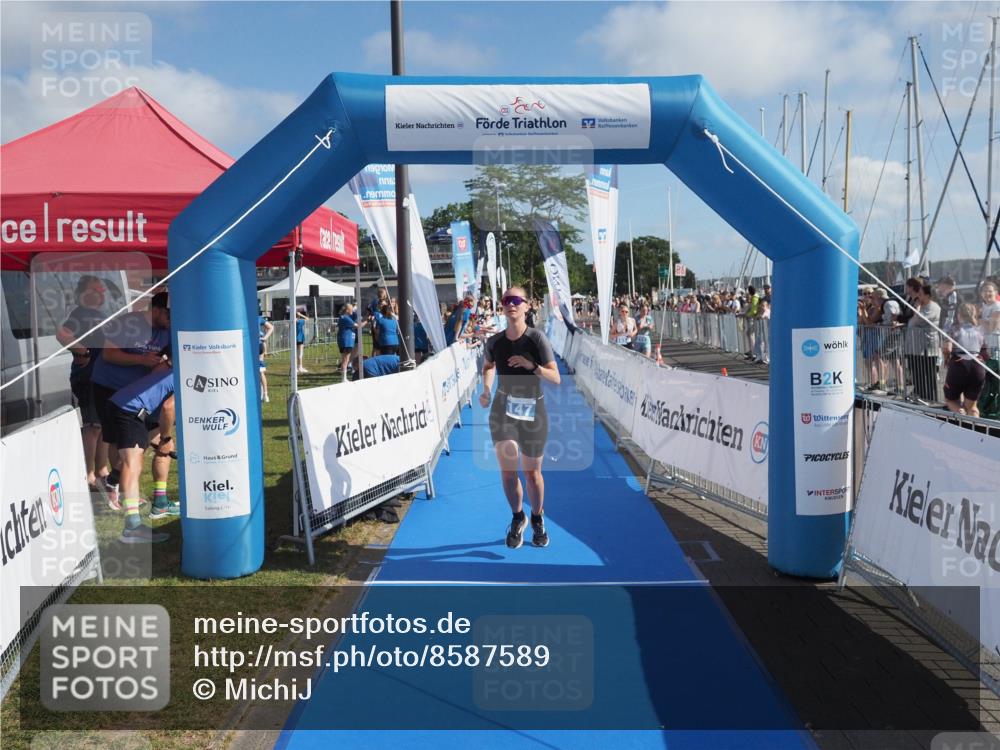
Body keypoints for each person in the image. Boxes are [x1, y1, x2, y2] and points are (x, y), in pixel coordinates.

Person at [479, 287, 560, 549]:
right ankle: (517, 517)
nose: (510, 304)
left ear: (526, 306)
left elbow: (556, 378)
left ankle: (537, 517)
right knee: (508, 470)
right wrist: (487, 390)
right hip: (503, 410)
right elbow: (488, 366)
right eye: (506, 301)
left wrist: (532, 366)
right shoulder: (494, 342)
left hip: (533, 412)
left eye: (516, 300)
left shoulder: (537, 339)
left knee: (532, 473)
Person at [90, 292, 171, 509]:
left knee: (133, 441)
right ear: (156, 310)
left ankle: (118, 484)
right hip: (107, 385)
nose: (172, 320)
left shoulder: (167, 330)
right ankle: (115, 489)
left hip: (134, 391)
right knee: (116, 438)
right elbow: (109, 354)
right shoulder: (127, 323)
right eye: (169, 315)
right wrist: (142, 359)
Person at [107, 362, 176, 543]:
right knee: (134, 462)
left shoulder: (182, 367)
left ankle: (114, 478)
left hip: (128, 405)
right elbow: (169, 407)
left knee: (146, 450)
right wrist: (166, 439)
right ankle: (132, 526)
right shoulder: (194, 375)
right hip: (130, 410)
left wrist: (165, 440)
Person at [57, 275, 109, 489]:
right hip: (88, 376)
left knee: (103, 425)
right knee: (92, 426)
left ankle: (102, 470)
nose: (101, 293)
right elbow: (62, 334)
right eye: (96, 290)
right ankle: (88, 474)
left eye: (101, 289)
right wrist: (84, 352)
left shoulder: (97, 314)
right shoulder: (79, 313)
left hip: (102, 375)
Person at [943, 304, 987, 417]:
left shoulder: (954, 329)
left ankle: (960, 414)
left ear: (959, 315)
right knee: (972, 407)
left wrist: (946, 359)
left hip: (959, 365)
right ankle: (976, 431)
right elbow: (986, 350)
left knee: (951, 400)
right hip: (977, 366)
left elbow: (947, 348)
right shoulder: (980, 330)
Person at [904, 281, 942, 403]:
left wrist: (917, 309)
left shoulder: (934, 307)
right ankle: (920, 394)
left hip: (927, 346)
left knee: (929, 374)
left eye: (921, 294)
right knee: (917, 372)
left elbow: (920, 320)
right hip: (916, 346)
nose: (918, 296)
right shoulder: (921, 306)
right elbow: (913, 321)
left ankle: (932, 398)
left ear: (928, 295)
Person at [337, 303, 359, 380]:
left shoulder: (344, 317)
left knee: (345, 359)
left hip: (346, 340)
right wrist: (366, 321)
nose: (353, 311)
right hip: (346, 341)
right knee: (345, 360)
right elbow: (357, 326)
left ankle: (344, 377)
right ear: (347, 310)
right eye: (351, 309)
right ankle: (343, 378)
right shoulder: (345, 318)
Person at [980, 280, 1000, 358]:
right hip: (985, 343)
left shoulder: (997, 307)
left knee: (995, 367)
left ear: (996, 292)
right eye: (984, 291)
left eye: (990, 291)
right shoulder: (983, 307)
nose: (987, 294)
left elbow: (991, 329)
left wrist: (979, 320)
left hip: (995, 343)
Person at [258, 311, 274, 402]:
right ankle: (263, 394)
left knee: (260, 372)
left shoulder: (258, 318)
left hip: (256, 347)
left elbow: (271, 327)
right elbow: (271, 327)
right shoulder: (259, 318)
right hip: (258, 347)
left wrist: (265, 338)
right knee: (260, 372)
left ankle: (265, 394)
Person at [294, 307, 309, 373]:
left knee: (295, 353)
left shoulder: (293, 321)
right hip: (299, 338)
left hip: (294, 338)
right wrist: (300, 315)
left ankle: (296, 367)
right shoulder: (300, 321)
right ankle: (300, 367)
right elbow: (307, 319)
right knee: (300, 353)